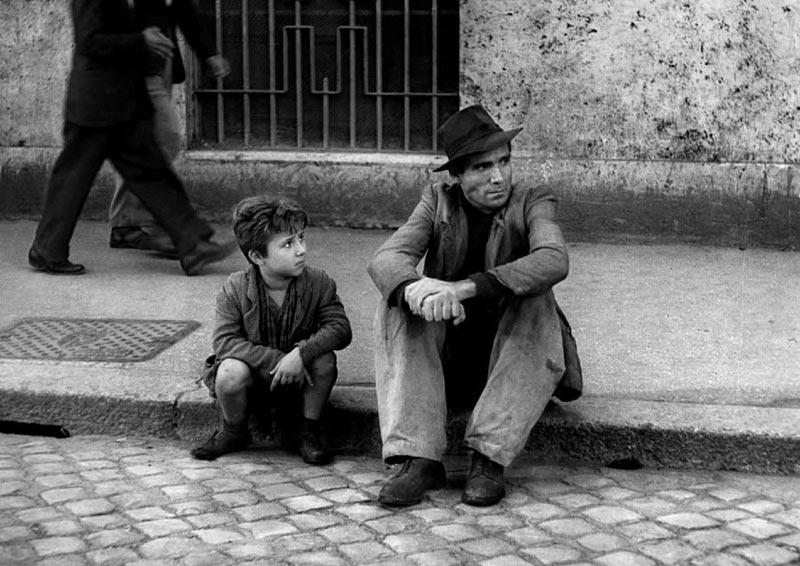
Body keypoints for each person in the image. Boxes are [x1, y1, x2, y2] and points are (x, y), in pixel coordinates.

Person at [367, 104, 572, 507]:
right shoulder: (437, 200)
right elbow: (387, 258)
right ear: (458, 176)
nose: (499, 177)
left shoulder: (533, 200)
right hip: (448, 360)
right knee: (397, 300)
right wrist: (419, 291)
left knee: (536, 296)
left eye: (504, 161)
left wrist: (462, 289)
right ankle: (419, 459)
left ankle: (489, 458)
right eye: (482, 167)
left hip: (511, 361)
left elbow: (553, 259)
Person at [28, 0, 233, 276]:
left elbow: (179, 11)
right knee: (73, 178)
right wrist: (141, 40)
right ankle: (47, 250)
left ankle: (193, 243)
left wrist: (206, 52)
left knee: (152, 173)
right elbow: (90, 41)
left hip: (126, 100)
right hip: (95, 102)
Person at [191, 196, 353, 465]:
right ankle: (234, 431)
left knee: (325, 360)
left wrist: (300, 354)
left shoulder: (318, 282)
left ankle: (308, 431)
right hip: (253, 378)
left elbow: (340, 328)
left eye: (301, 238)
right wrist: (279, 360)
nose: (301, 249)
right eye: (288, 244)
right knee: (229, 371)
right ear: (257, 256)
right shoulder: (235, 288)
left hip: (301, 380)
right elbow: (225, 341)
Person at [108, 0, 230, 256]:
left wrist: (208, 52)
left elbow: (183, 10)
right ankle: (170, 228)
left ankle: (128, 223)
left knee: (144, 143)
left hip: (160, 61)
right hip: (136, 63)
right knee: (164, 141)